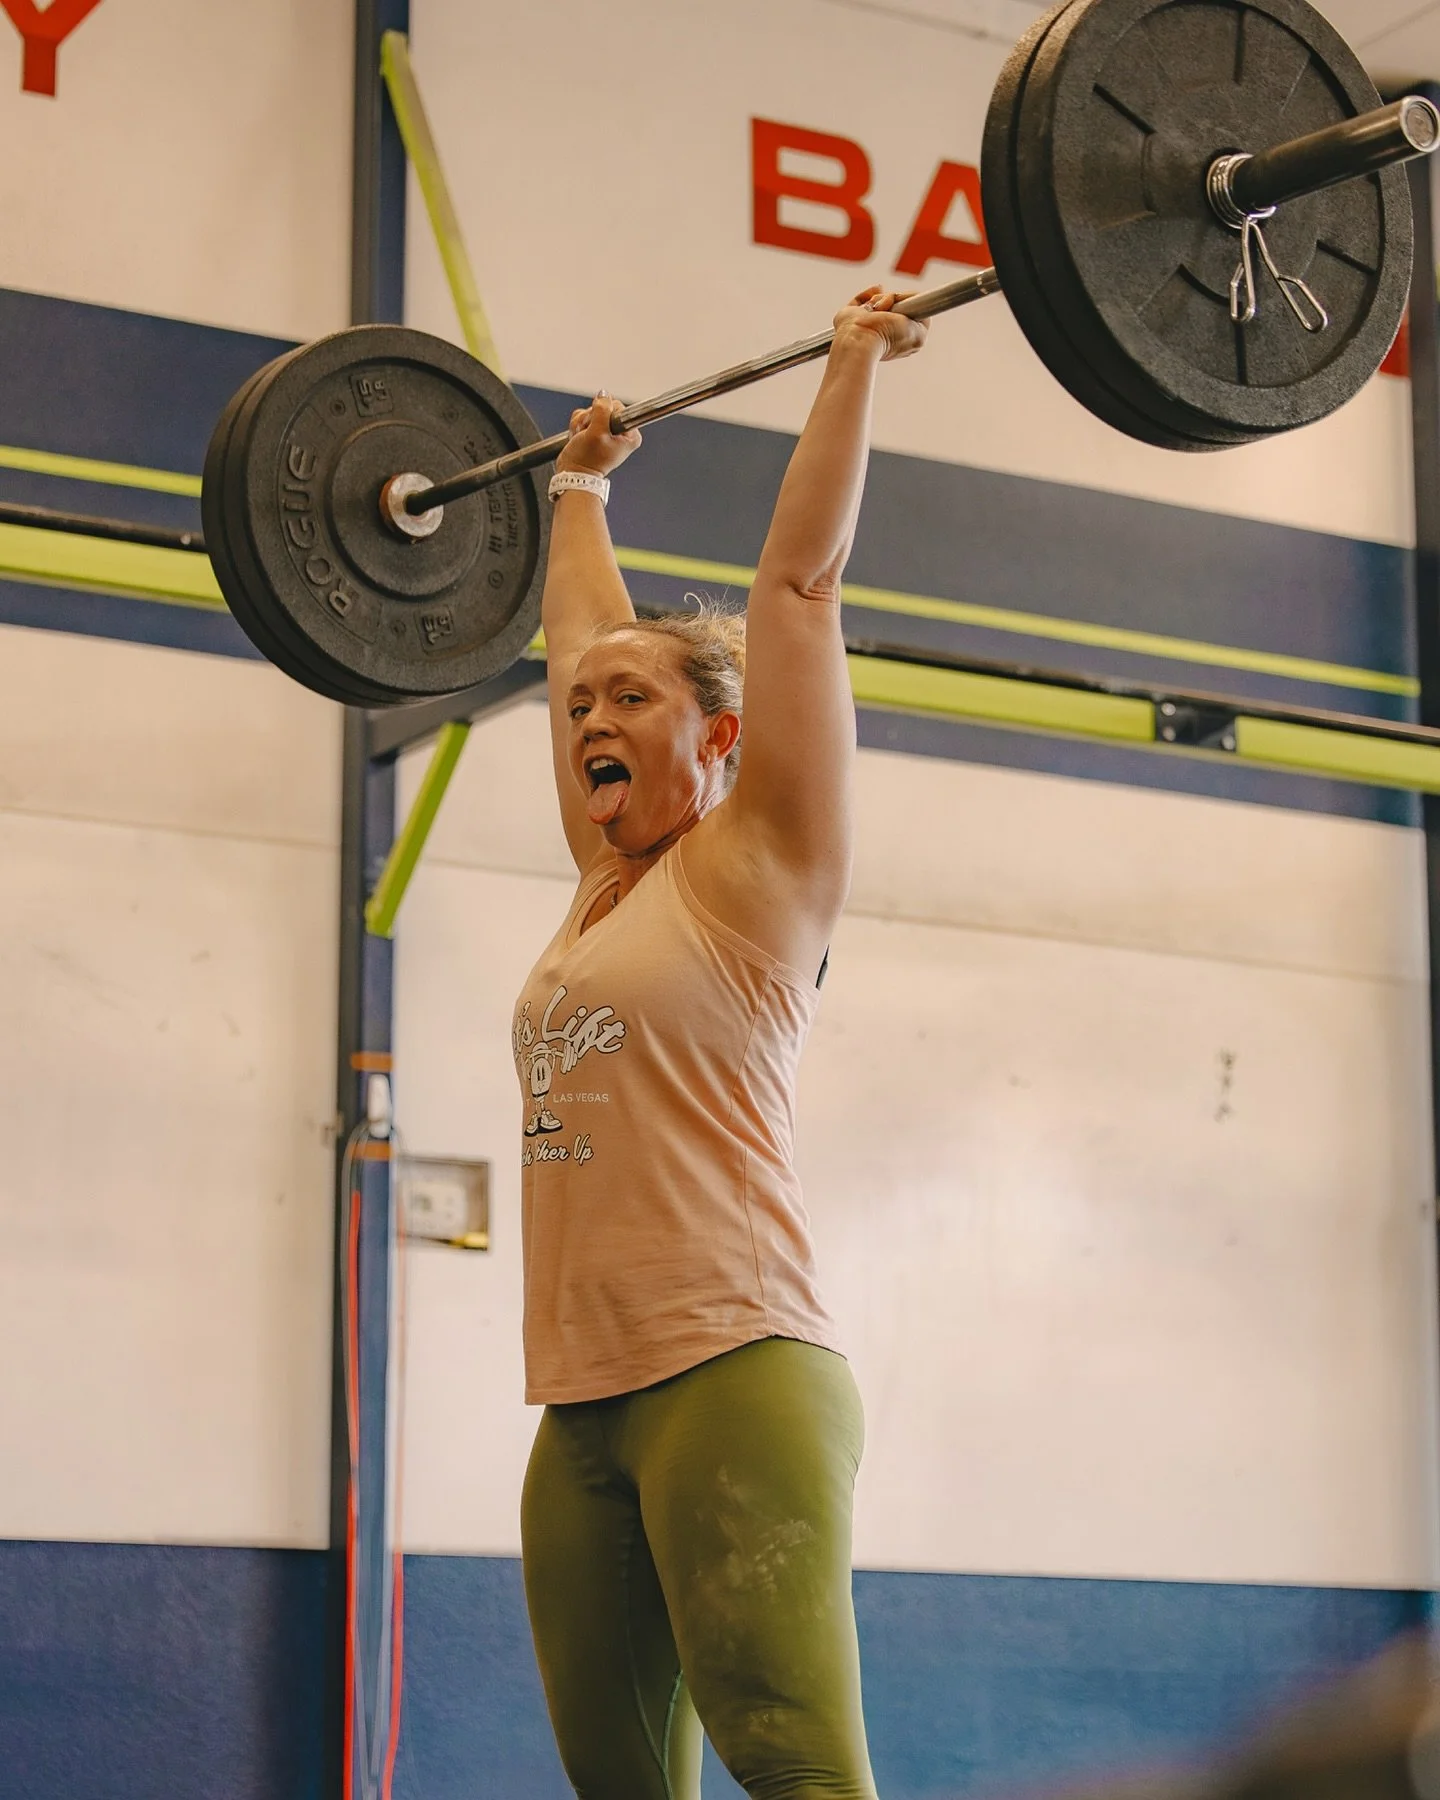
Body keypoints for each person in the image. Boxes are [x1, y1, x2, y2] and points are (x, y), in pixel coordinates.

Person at [511, 287, 929, 1800]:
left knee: (794, 1769)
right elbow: (576, 635)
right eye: (577, 713)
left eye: (632, 701)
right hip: (582, 1402)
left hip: (735, 1364)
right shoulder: (602, 881)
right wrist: (576, 489)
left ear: (719, 741)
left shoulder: (758, 871)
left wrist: (851, 367)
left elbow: (799, 588)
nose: (589, 719)